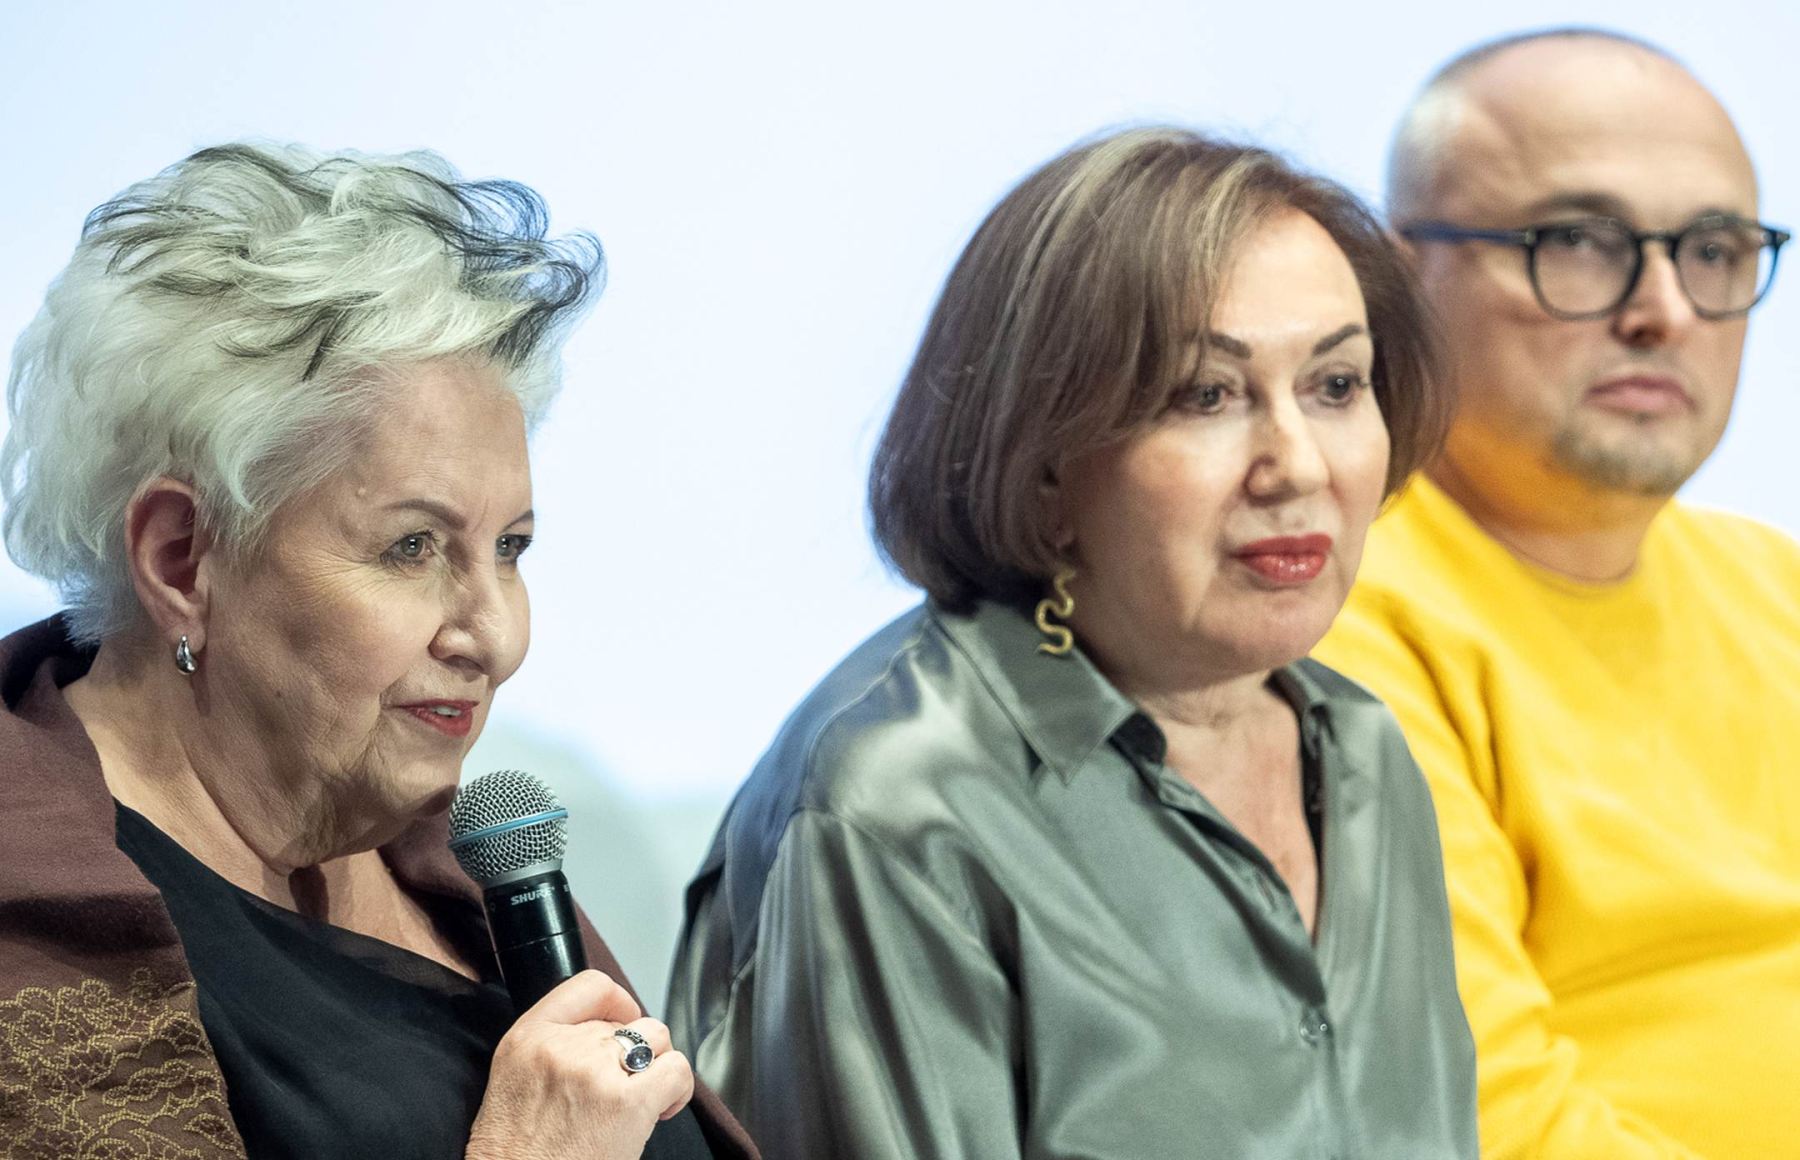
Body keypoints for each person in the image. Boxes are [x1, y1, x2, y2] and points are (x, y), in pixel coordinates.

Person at [666, 126, 1477, 1159]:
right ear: (1044, 461)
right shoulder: (897, 802)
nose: (1301, 464)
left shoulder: (1364, 748)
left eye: (1336, 385)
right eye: (1209, 394)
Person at [0, 144, 756, 1160]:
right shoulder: (36, 947)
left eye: (510, 548)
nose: (497, 638)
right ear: (182, 557)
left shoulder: (453, 861)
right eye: (412, 548)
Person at [1311, 29, 1799, 1159]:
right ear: (1397, 282)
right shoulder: (1332, 621)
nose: (1665, 309)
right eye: (1579, 241)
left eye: (1714, 249)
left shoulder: (1773, 585)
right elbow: (1485, 1119)